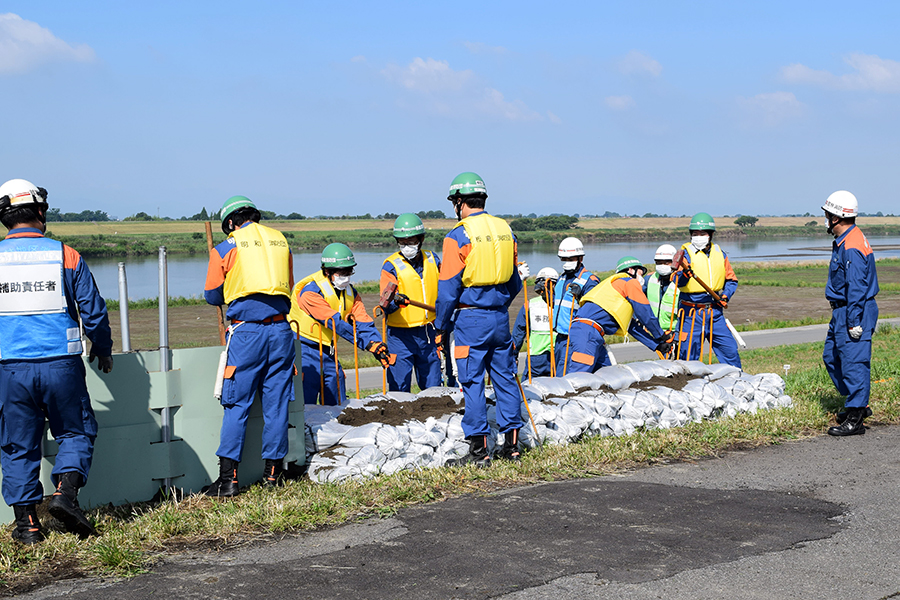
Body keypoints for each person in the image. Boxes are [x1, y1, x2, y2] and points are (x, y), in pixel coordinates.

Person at [0, 179, 113, 544]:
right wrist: (104, 348)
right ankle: (65, 494)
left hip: (10, 367)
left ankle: (28, 526)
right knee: (75, 431)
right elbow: (93, 313)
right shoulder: (66, 255)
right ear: (40, 211)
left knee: (18, 444)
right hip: (61, 364)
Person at [203, 195, 295, 496]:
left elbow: (212, 295)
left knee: (236, 404)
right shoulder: (280, 241)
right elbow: (288, 285)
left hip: (247, 335)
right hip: (282, 331)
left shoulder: (226, 247)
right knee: (277, 405)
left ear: (230, 222)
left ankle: (228, 480)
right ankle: (272, 476)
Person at [437, 172, 524, 467]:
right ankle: (512, 447)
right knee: (505, 378)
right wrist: (497, 304)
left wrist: (441, 326)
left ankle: (478, 452)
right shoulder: (505, 230)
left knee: (472, 382)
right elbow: (515, 282)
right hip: (500, 317)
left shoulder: (458, 235)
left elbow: (448, 290)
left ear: (460, 202)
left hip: (470, 320)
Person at [290, 243, 389, 406]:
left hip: (329, 352)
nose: (347, 277)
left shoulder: (351, 292)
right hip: (304, 351)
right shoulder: (310, 292)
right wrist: (366, 344)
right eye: (342, 273)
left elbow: (363, 320)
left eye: (349, 272)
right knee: (305, 404)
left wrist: (376, 344)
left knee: (337, 398)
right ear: (327, 271)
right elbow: (334, 322)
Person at [821, 191, 879, 437]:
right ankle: (857, 403)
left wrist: (854, 321)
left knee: (854, 364)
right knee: (831, 357)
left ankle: (856, 416)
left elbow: (856, 287)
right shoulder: (847, 239)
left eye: (827, 214)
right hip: (842, 311)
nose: (824, 218)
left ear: (836, 217)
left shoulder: (852, 246)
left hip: (853, 311)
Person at [564, 256, 672, 372]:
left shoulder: (613, 288)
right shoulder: (629, 282)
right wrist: (661, 335)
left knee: (607, 373)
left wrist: (656, 345)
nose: (642, 278)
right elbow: (644, 312)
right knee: (579, 375)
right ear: (631, 270)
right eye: (641, 273)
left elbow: (631, 326)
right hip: (588, 333)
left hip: (587, 331)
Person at [379, 213, 442, 392]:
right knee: (399, 387)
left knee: (433, 387)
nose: (407, 246)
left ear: (421, 239)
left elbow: (446, 289)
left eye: (411, 241)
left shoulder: (434, 260)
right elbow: (385, 304)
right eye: (402, 242)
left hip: (428, 332)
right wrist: (395, 303)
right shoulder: (390, 266)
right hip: (400, 336)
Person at [673, 213, 741, 367]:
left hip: (714, 311)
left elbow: (731, 280)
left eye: (702, 234)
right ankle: (689, 387)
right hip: (691, 313)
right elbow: (677, 280)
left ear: (710, 235)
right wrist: (685, 274)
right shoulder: (685, 254)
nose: (698, 237)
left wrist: (725, 296)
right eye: (695, 234)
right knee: (689, 355)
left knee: (729, 350)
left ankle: (737, 381)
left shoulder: (720, 254)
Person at [552, 237, 600, 375]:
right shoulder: (562, 278)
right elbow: (558, 305)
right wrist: (545, 294)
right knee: (558, 374)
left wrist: (581, 297)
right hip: (560, 337)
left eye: (571, 259)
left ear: (580, 258)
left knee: (569, 377)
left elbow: (593, 312)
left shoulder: (589, 281)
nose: (567, 263)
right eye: (564, 259)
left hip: (576, 338)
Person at [512, 267, 558, 378]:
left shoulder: (530, 305)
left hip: (535, 357)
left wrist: (513, 356)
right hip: (556, 355)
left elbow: (518, 334)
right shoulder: (561, 304)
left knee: (529, 389)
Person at [643, 244, 680, 333]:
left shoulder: (681, 282)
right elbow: (637, 301)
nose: (662, 265)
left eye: (666, 262)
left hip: (674, 331)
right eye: (659, 262)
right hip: (654, 331)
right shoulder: (649, 279)